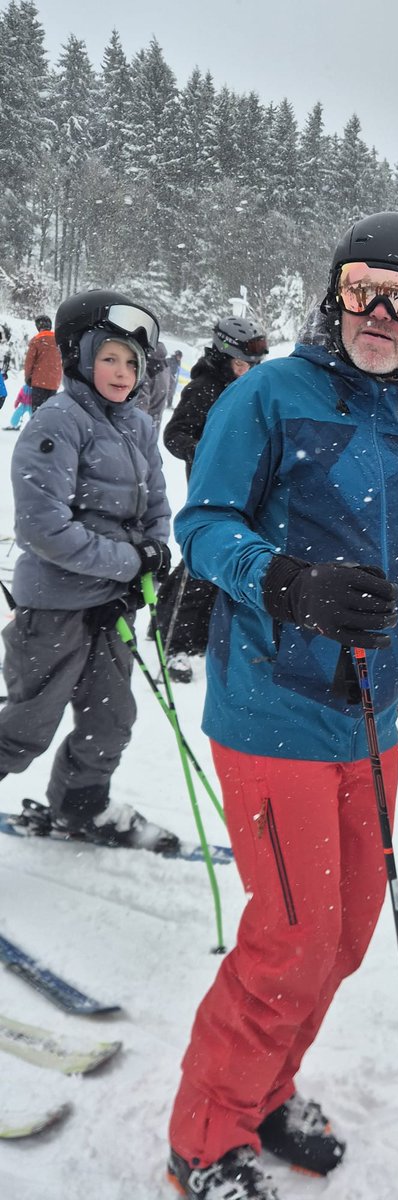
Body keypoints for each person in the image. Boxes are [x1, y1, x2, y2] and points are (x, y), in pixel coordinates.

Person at [165, 211, 398, 1199]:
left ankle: (263, 1093)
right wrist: (285, 583)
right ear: (333, 295)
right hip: (271, 705)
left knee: (343, 935)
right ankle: (205, 1139)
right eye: (364, 287)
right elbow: (204, 528)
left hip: (371, 713)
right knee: (291, 935)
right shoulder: (267, 397)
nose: (381, 312)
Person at [0, 289, 176, 851]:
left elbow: (156, 504)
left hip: (112, 609)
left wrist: (154, 550)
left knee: (111, 721)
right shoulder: (59, 420)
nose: (123, 372)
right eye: (110, 357)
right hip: (54, 609)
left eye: (132, 362)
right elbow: (41, 528)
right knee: (26, 728)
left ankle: (82, 808)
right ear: (81, 355)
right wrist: (129, 561)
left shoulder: (139, 427)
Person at [156, 317, 269, 684]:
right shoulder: (205, 388)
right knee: (202, 567)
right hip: (209, 488)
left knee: (207, 563)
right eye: (240, 365)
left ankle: (168, 620)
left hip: (236, 488)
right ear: (223, 358)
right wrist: (207, 454)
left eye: (253, 367)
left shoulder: (245, 389)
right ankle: (176, 644)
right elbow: (175, 435)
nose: (247, 372)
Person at [23, 315, 62, 411]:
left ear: (38, 326)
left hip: (39, 382)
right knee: (49, 410)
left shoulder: (36, 340)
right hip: (54, 382)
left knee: (37, 411)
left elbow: (29, 362)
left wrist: (27, 378)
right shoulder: (58, 340)